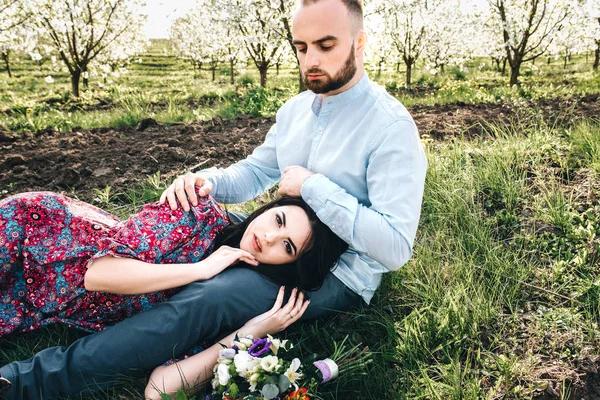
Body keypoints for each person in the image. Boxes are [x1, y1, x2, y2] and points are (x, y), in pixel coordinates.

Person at [0, 0, 427, 398]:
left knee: (210, 297)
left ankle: (26, 380)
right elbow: (259, 172)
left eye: (325, 45)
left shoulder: (390, 128)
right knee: (187, 221)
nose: (310, 60)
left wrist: (314, 187)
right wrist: (204, 183)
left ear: (359, 41)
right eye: (301, 47)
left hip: (334, 269)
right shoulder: (296, 110)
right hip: (283, 227)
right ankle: (87, 277)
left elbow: (394, 248)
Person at [0, 190, 345, 339]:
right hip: (33, 234)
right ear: (267, 208)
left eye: (287, 245)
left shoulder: (234, 289)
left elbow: (162, 386)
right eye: (278, 220)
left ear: (289, 264)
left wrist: (254, 330)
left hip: (40, 303)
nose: (269, 237)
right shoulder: (193, 214)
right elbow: (94, 273)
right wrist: (200, 269)